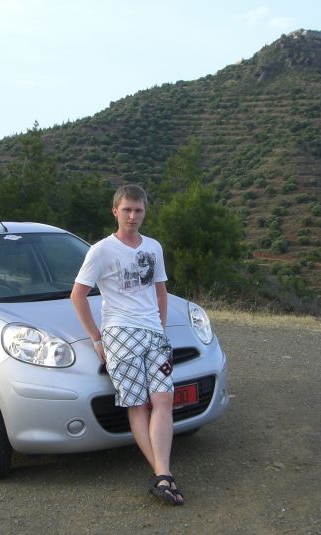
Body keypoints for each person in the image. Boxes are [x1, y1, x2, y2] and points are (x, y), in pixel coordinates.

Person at [70, 184, 184, 506]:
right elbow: (77, 296)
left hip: (153, 332)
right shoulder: (101, 251)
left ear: (145, 212)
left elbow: (160, 291)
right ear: (115, 211)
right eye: (127, 210)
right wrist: (97, 338)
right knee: (137, 404)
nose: (132, 216)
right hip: (120, 332)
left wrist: (161, 327)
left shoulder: (153, 247)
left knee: (163, 398)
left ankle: (162, 475)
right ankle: (163, 474)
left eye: (138, 210)